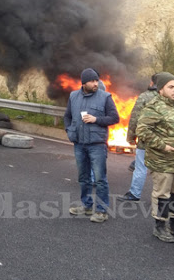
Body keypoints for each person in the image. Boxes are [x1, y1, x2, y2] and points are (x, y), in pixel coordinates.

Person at [136, 72, 174, 243]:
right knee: (162, 195)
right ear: (161, 89)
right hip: (162, 161)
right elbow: (142, 130)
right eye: (171, 87)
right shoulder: (153, 107)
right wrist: (163, 146)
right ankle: (160, 226)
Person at [64, 68, 119, 223]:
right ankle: (86, 206)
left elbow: (115, 118)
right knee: (83, 177)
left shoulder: (105, 97)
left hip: (97, 145)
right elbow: (67, 116)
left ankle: (101, 211)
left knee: (100, 179)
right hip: (79, 144)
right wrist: (69, 131)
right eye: (92, 81)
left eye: (97, 80)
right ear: (84, 83)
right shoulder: (73, 96)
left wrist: (96, 120)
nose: (96, 83)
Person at [117, 74, 158, 202]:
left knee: (140, 167)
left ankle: (134, 194)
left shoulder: (145, 97)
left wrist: (131, 137)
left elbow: (134, 118)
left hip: (145, 140)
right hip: (163, 141)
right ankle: (162, 196)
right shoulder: (167, 98)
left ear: (152, 83)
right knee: (161, 170)